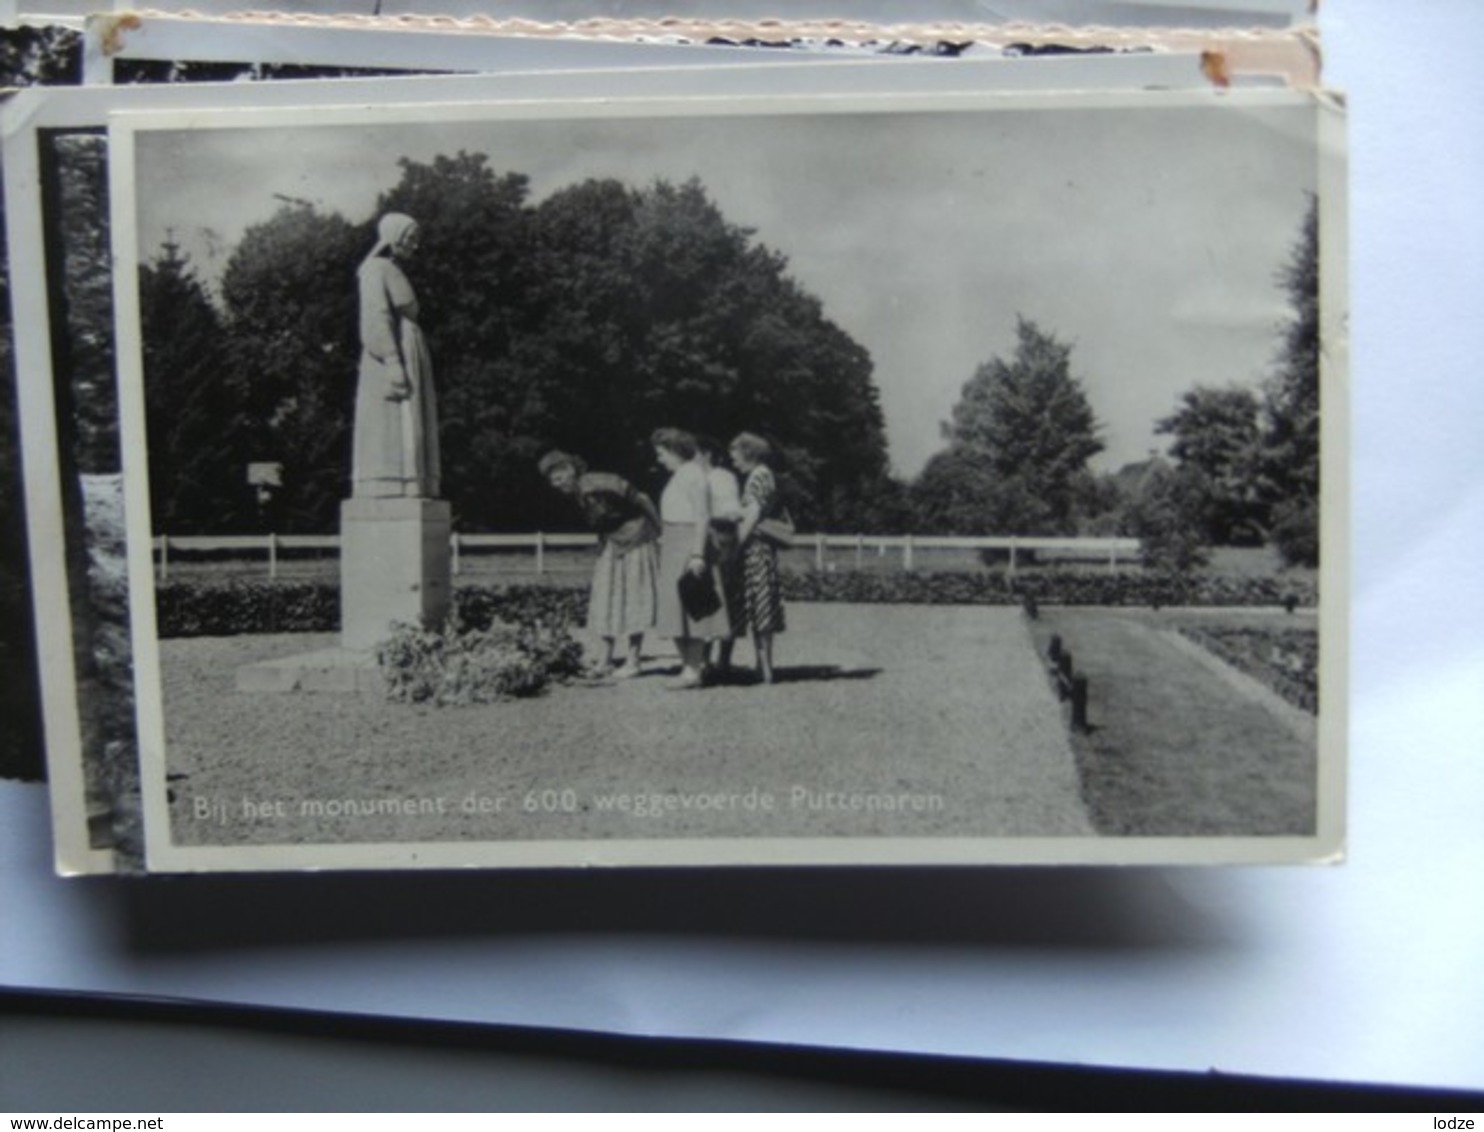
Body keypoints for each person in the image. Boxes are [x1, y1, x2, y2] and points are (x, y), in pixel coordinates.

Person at [539, 450, 659, 678]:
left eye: (559, 478)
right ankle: (605, 659)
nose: (556, 485)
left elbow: (642, 498)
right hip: (612, 543)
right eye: (552, 481)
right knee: (606, 599)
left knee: (634, 597)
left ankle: (634, 660)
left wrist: (659, 530)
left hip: (636, 539)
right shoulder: (577, 492)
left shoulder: (600, 482)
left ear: (570, 470)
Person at [353, 212, 439, 499]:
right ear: (394, 237)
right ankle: (391, 483)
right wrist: (391, 360)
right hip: (392, 352)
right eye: (411, 239)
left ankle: (415, 482)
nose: (415, 245)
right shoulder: (374, 268)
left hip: (410, 347)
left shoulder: (391, 268)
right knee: (391, 423)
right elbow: (375, 315)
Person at [652, 428, 731, 689]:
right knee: (675, 608)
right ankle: (689, 666)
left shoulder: (694, 474)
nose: (658, 459)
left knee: (692, 605)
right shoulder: (680, 475)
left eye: (661, 453)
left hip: (688, 544)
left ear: (675, 451)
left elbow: (701, 516)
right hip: (675, 541)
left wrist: (697, 554)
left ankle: (693, 670)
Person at [729, 431, 787, 684]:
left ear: (748, 454)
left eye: (736, 457)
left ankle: (764, 669)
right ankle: (764, 666)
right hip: (763, 549)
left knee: (759, 606)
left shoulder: (757, 477)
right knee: (761, 606)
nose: (734, 462)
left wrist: (734, 548)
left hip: (755, 549)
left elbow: (752, 516)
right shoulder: (766, 475)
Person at [696, 436, 743, 676]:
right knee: (706, 595)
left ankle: (722, 659)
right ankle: (704, 659)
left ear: (706, 454)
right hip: (704, 537)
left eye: (696, 453)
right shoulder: (696, 477)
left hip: (720, 537)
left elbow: (733, 512)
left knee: (724, 594)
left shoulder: (722, 477)